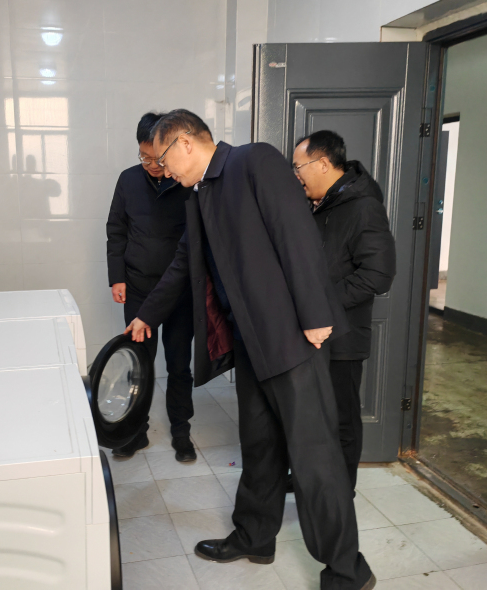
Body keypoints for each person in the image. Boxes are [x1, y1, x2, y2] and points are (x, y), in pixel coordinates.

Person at [125, 110, 376, 590]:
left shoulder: (253, 161)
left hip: (292, 339)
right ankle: (255, 536)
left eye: (163, 159)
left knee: (314, 459)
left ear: (185, 143)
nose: (163, 170)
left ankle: (348, 570)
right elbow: (184, 262)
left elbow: (295, 234)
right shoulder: (200, 195)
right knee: (259, 446)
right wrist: (147, 315)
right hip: (251, 345)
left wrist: (316, 314)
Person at [293, 131, 397, 490]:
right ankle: (313, 481)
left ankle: (340, 491)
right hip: (311, 333)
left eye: (299, 167)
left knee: (341, 419)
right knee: (312, 416)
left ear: (323, 164)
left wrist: (319, 305)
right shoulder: (319, 205)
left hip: (342, 337)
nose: (296, 175)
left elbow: (378, 274)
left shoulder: (362, 207)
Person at [106, 112, 197, 462]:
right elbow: (116, 230)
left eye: (157, 158)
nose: (152, 165)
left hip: (179, 292)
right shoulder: (128, 180)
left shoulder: (186, 182)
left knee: (179, 364)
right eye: (144, 157)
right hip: (139, 288)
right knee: (138, 363)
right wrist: (117, 276)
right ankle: (136, 432)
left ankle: (181, 431)